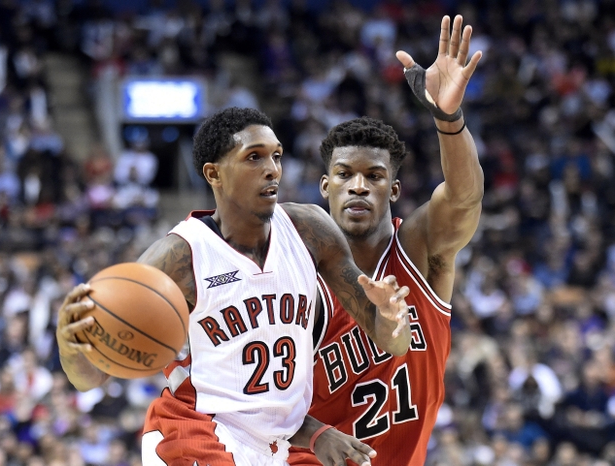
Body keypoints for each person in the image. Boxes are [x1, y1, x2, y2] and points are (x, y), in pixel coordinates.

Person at [56, 106, 414, 466]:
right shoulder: (178, 257)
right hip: (192, 431)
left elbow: (393, 343)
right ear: (214, 174)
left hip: (276, 443)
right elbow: (91, 376)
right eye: (254, 157)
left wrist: (392, 318)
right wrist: (71, 345)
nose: (272, 169)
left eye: (276, 156)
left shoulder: (311, 231)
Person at [288, 14, 484, 466]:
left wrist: (448, 119)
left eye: (374, 176)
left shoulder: (420, 250)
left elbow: (464, 197)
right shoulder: (294, 273)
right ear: (325, 187)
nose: (358, 186)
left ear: (393, 190)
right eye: (344, 175)